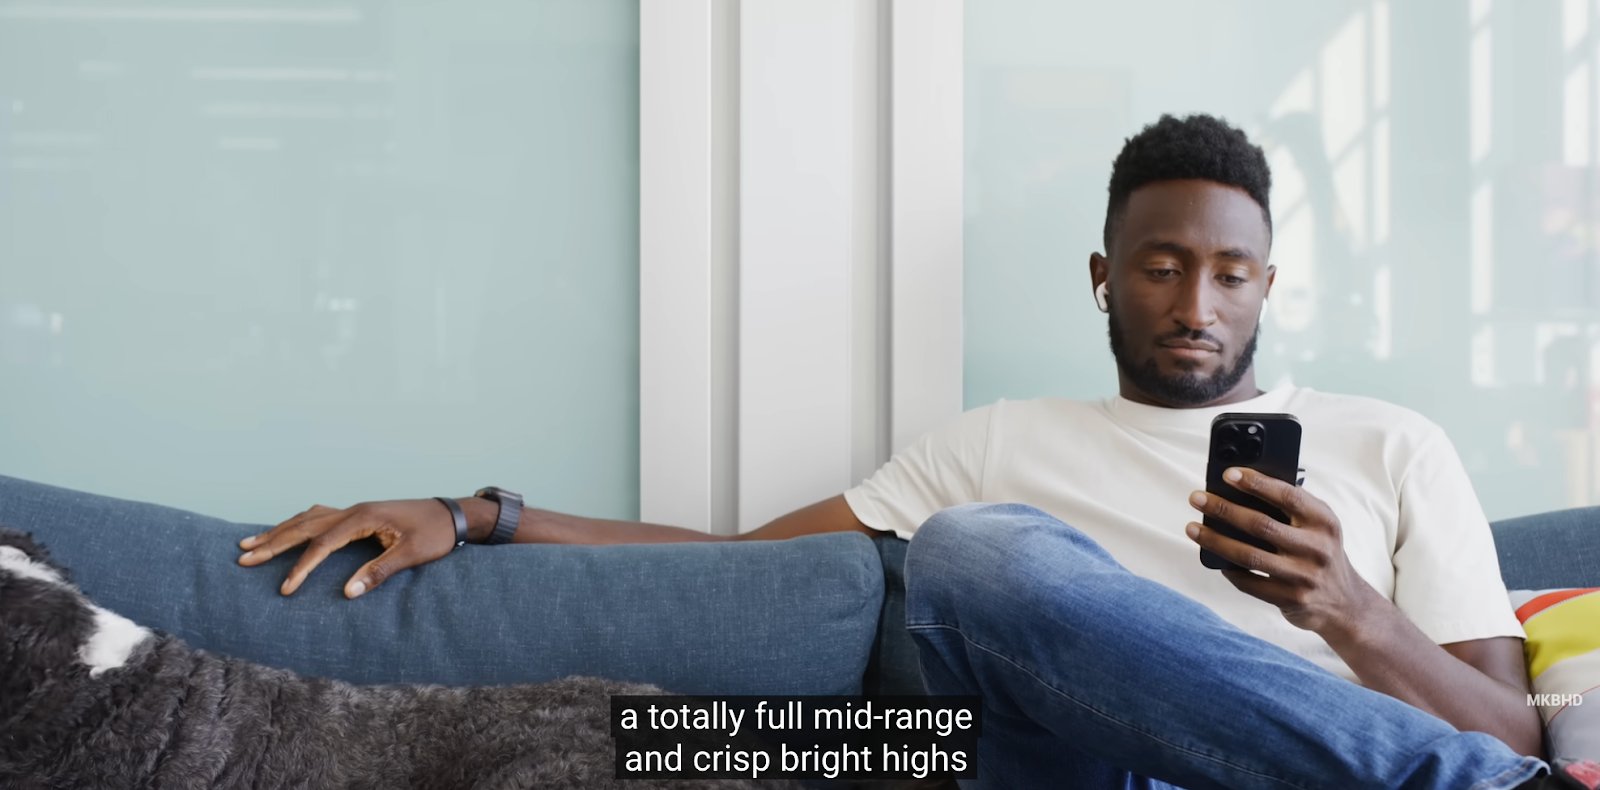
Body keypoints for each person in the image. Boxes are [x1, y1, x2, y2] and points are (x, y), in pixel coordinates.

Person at [236, 114, 1587, 790]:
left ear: (1268, 287)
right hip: (1074, 767)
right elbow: (733, 571)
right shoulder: (1002, 441)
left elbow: (1511, 733)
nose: (1197, 303)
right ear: (1103, 276)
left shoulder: (1392, 444)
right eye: (1163, 266)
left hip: (1350, 771)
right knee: (767, 714)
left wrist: (1346, 608)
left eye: (1232, 274)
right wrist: (481, 511)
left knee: (962, 575)